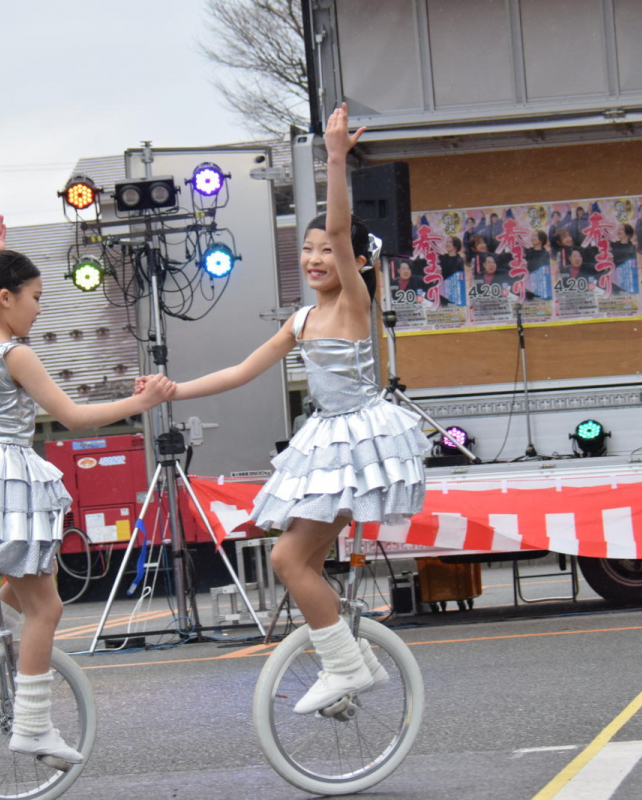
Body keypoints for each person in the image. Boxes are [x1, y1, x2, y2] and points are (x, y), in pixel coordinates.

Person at [155, 104, 430, 715]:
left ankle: (345, 667)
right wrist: (176, 390)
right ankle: (346, 665)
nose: (315, 257)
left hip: (357, 445)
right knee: (294, 558)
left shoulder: (355, 305)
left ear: (356, 261)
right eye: (306, 249)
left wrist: (334, 159)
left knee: (285, 557)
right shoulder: (302, 318)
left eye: (327, 250)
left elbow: (339, 227)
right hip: (327, 443)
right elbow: (242, 371)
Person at [0, 214, 176, 763]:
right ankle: (31, 724)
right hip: (6, 480)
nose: (39, 306)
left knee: (22, 585)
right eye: (34, 296)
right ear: (4, 297)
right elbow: (73, 416)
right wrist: (141, 403)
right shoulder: (15, 353)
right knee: (46, 608)